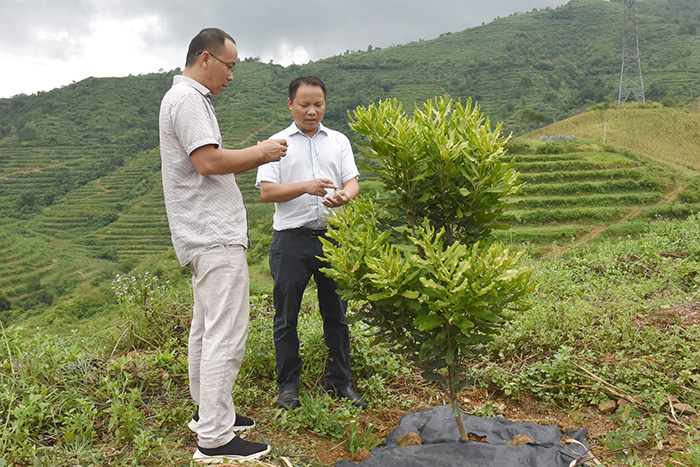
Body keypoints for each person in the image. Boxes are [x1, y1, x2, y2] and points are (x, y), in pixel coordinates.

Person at [158, 27, 288, 463]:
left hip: (201, 235)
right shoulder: (188, 100)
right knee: (225, 335)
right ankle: (214, 437)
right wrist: (261, 152)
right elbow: (208, 161)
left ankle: (208, 413)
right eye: (229, 66)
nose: (231, 76)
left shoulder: (186, 99)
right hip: (212, 234)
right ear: (206, 58)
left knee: (206, 328)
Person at [255, 76, 366, 410]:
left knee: (337, 316)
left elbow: (352, 181)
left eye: (318, 104)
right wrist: (305, 186)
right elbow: (267, 192)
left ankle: (340, 383)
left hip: (333, 239)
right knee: (286, 318)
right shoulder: (276, 143)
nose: (312, 111)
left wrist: (345, 195)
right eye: (304, 105)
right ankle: (288, 388)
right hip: (291, 241)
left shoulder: (339, 141)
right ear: (290, 104)